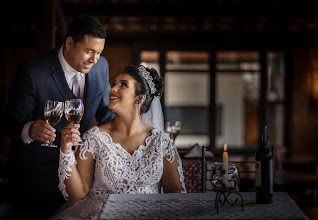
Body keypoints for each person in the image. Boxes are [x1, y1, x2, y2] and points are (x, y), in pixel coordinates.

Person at [4, 15, 114, 219]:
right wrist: (29, 128)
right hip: (35, 178)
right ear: (70, 43)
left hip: (80, 178)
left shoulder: (101, 67)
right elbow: (11, 120)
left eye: (99, 52)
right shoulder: (32, 71)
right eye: (89, 51)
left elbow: (107, 113)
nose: (94, 59)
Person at [50, 65, 187, 220]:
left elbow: (175, 191)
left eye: (123, 85)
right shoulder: (95, 138)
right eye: (114, 83)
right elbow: (76, 195)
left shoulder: (161, 142)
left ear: (140, 98)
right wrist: (66, 149)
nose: (113, 89)